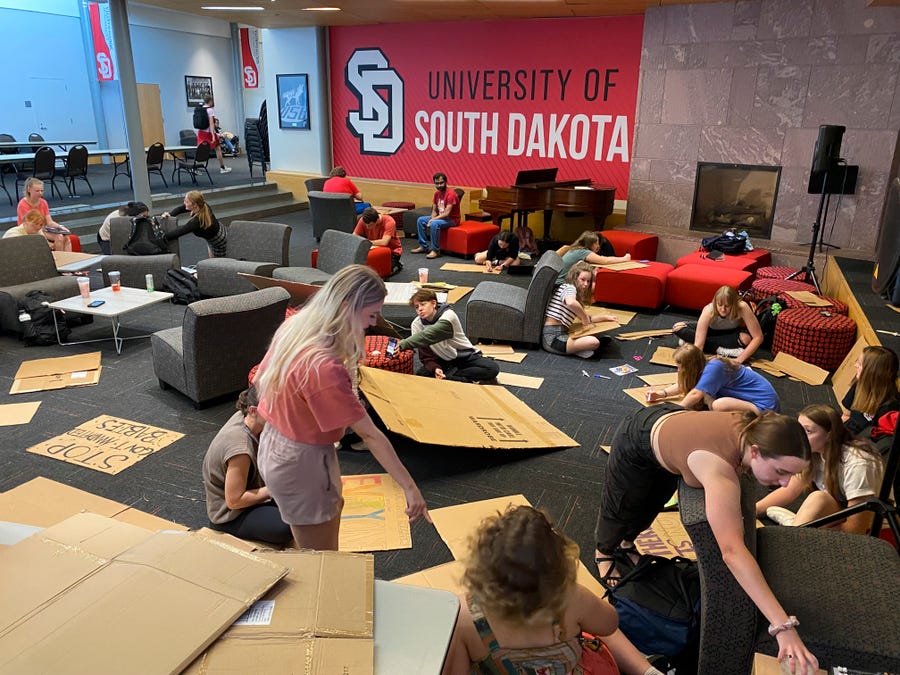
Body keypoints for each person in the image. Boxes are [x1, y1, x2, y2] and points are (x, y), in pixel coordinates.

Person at [594, 406, 818, 672]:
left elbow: (722, 403)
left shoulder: (753, 423)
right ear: (755, 451)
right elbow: (732, 552)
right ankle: (604, 552)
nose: (785, 483)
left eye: (792, 475)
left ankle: (626, 543)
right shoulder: (720, 473)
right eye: (782, 471)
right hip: (637, 435)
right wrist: (782, 627)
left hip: (673, 424)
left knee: (650, 503)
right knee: (621, 507)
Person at [253, 265, 430, 550]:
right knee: (322, 558)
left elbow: (261, 381)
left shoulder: (295, 327)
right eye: (371, 315)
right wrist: (410, 487)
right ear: (348, 306)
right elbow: (370, 435)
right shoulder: (324, 366)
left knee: (324, 519)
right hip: (303, 459)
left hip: (277, 446)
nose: (371, 324)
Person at [442, 505, 665, 675]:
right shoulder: (572, 598)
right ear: (558, 567)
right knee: (594, 626)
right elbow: (609, 624)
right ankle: (648, 671)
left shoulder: (462, 615)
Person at [757, 404, 884, 533]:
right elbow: (791, 488)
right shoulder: (816, 452)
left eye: (808, 431)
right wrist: (754, 510)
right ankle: (798, 525)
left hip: (868, 525)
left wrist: (810, 530)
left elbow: (855, 529)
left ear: (829, 435)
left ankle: (795, 528)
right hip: (840, 510)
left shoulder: (858, 465)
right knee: (818, 500)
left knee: (818, 498)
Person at [201, 387, 293, 546]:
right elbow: (234, 501)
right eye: (273, 411)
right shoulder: (240, 449)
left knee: (302, 499)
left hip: (252, 490)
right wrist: (275, 487)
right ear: (253, 410)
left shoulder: (245, 417)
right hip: (230, 515)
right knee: (289, 525)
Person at [399, 288, 500, 383]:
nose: (419, 309)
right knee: (421, 375)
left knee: (492, 369)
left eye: (423, 304)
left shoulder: (448, 316)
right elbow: (425, 355)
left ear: (434, 303)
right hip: (444, 360)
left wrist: (402, 344)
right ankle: (457, 378)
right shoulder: (416, 324)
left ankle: (453, 376)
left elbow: (428, 335)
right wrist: (435, 368)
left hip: (465, 356)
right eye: (417, 307)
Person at [646, 343, 780, 413]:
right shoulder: (705, 366)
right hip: (754, 401)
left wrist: (674, 412)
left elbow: (694, 393)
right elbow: (685, 384)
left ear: (690, 366)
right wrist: (660, 394)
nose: (678, 370)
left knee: (716, 404)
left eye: (680, 367)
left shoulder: (714, 367)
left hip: (764, 406)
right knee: (709, 399)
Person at [543, 261, 618, 359]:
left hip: (562, 333)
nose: (586, 284)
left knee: (594, 331)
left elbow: (587, 318)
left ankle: (579, 349)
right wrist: (583, 317)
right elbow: (571, 303)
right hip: (552, 339)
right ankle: (579, 349)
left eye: (588, 281)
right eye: (582, 280)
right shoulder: (569, 288)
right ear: (575, 278)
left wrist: (605, 318)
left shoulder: (574, 295)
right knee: (594, 342)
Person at [672, 285, 763, 361]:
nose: (723, 309)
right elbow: (699, 345)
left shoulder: (742, 307)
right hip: (712, 330)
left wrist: (739, 360)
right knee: (678, 328)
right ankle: (721, 350)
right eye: (720, 305)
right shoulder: (708, 310)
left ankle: (689, 341)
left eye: (727, 306)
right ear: (715, 303)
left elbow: (758, 337)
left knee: (746, 339)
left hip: (730, 333)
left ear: (734, 304)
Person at [842, 345, 899, 454]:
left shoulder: (890, 407)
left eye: (859, 364)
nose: (855, 365)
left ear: (871, 372)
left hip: (863, 448)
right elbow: (846, 415)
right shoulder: (859, 385)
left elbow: (879, 443)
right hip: (848, 436)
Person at [161, 190, 227, 257]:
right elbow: (180, 209)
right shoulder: (202, 205)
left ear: (194, 204)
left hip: (219, 240)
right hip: (214, 233)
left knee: (219, 262)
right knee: (212, 258)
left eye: (186, 201)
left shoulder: (196, 222)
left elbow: (180, 232)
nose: (184, 203)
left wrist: (163, 237)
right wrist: (170, 214)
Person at [413, 172, 460, 259]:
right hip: (441, 217)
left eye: (441, 183)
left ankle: (435, 250)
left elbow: (447, 213)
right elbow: (434, 210)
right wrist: (432, 218)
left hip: (452, 219)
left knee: (435, 224)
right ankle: (424, 246)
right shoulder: (436, 194)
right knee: (420, 220)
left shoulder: (451, 194)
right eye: (437, 183)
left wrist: (432, 220)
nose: (439, 185)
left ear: (446, 182)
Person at [555, 231, 631, 285]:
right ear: (591, 243)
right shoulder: (583, 252)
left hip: (556, 281)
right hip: (561, 283)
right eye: (596, 243)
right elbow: (605, 260)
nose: (598, 246)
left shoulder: (575, 249)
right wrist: (625, 258)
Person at [16, 177, 71, 251]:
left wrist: (60, 227)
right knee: (59, 238)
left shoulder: (43, 202)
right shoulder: (23, 205)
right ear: (29, 190)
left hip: (42, 228)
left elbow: (49, 222)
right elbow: (29, 226)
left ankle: (68, 258)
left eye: (42, 191)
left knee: (66, 237)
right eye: (37, 191)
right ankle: (58, 259)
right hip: (32, 230)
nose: (40, 193)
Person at [353, 206, 402, 275]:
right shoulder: (363, 220)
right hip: (374, 248)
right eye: (366, 225)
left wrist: (366, 242)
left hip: (391, 251)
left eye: (370, 225)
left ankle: (397, 265)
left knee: (383, 273)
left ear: (377, 220)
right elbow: (354, 236)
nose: (367, 227)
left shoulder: (389, 221)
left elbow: (384, 242)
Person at [4, 208, 71, 252]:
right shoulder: (13, 234)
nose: (38, 227)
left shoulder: (38, 231)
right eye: (35, 224)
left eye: (41, 225)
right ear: (25, 223)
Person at [197, 94, 232, 174]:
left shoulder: (200, 109)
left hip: (201, 133)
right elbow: (211, 124)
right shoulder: (210, 110)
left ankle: (195, 168)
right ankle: (222, 167)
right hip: (208, 133)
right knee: (218, 148)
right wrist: (213, 135)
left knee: (200, 150)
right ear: (210, 101)